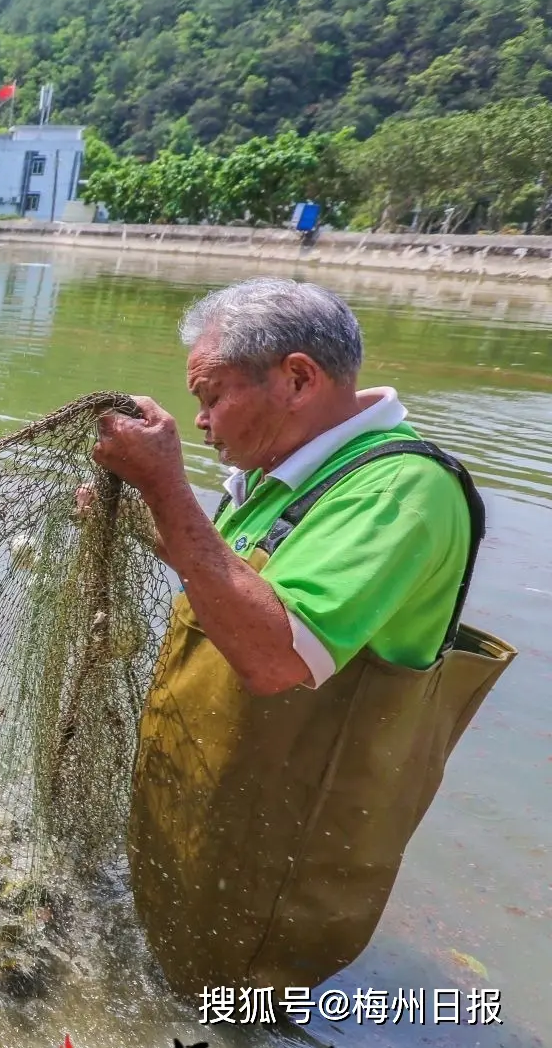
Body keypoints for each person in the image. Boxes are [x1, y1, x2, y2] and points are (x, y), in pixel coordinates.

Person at [91, 278, 514, 992]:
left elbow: (276, 655)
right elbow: (234, 578)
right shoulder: (286, 473)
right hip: (226, 817)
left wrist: (165, 486)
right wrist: (141, 515)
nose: (201, 422)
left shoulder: (399, 491)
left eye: (212, 394)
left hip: (276, 856)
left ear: (296, 378)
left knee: (233, 1001)